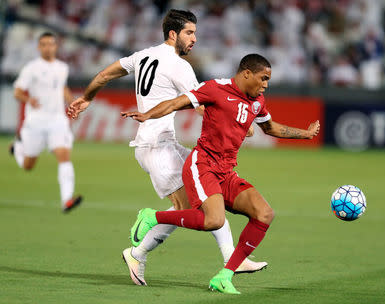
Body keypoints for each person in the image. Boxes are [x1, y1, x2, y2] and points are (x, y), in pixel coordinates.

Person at [67, 9, 265, 286]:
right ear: (173, 34)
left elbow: (103, 75)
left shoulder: (142, 56)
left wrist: (87, 98)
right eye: (189, 33)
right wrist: (238, 120)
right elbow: (203, 105)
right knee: (190, 209)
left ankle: (232, 258)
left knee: (211, 193)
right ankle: (137, 253)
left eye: (195, 32)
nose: (194, 39)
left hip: (164, 144)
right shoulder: (178, 65)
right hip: (155, 146)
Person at [120, 53, 321, 294]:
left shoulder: (257, 101)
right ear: (247, 73)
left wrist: (305, 134)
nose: (266, 85)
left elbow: (269, 127)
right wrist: (147, 115)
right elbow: (177, 103)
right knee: (213, 220)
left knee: (264, 213)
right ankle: (152, 216)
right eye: (263, 78)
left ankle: (224, 276)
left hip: (226, 171)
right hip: (202, 165)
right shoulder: (216, 88)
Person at [10, 32, 82, 213]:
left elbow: (62, 88)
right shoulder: (31, 68)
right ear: (38, 47)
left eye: (50, 44)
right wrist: (29, 100)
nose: (47, 47)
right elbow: (17, 91)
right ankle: (18, 147)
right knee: (28, 165)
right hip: (35, 121)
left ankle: (67, 200)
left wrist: (72, 102)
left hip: (57, 120)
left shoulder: (62, 67)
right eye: (43, 44)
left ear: (56, 47)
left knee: (64, 156)